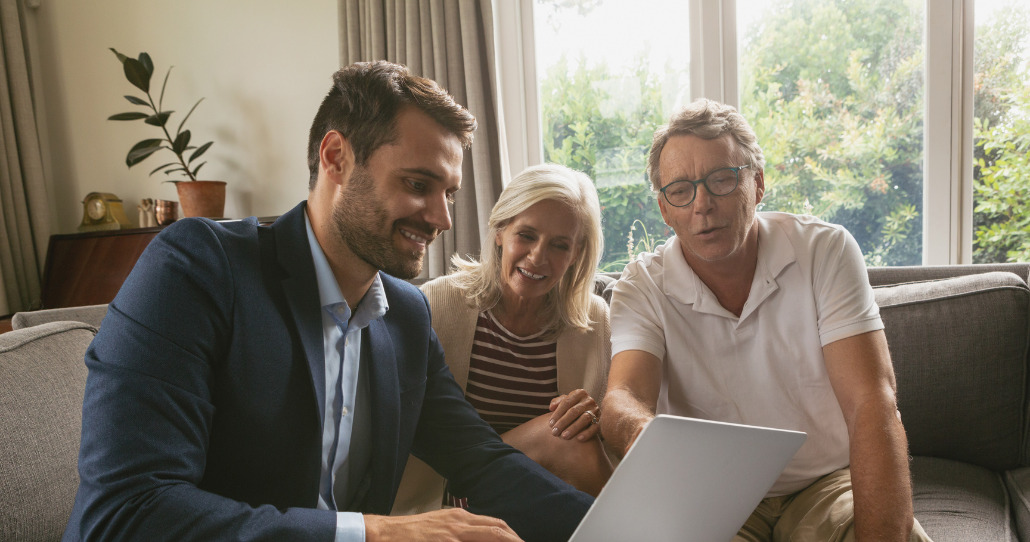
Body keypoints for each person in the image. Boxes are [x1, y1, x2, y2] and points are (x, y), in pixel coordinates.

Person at [63, 61, 591, 542]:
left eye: (448, 192)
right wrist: (377, 534)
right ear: (336, 157)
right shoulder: (198, 269)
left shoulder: (405, 316)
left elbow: (482, 461)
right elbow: (126, 512)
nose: (441, 219)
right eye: (417, 183)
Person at [600, 98, 932, 541]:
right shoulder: (641, 285)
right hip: (711, 492)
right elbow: (622, 396)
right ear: (664, 209)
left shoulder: (825, 251)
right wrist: (641, 430)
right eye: (680, 190)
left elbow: (871, 402)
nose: (702, 205)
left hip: (828, 483)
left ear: (757, 184)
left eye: (721, 180)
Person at [392, 164, 612, 515]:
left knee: (576, 436)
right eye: (526, 235)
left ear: (576, 253)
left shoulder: (595, 321)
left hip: (541, 501)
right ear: (499, 231)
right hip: (448, 498)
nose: (538, 257)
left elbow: (600, 442)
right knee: (564, 439)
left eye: (559, 245)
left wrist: (592, 417)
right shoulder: (435, 304)